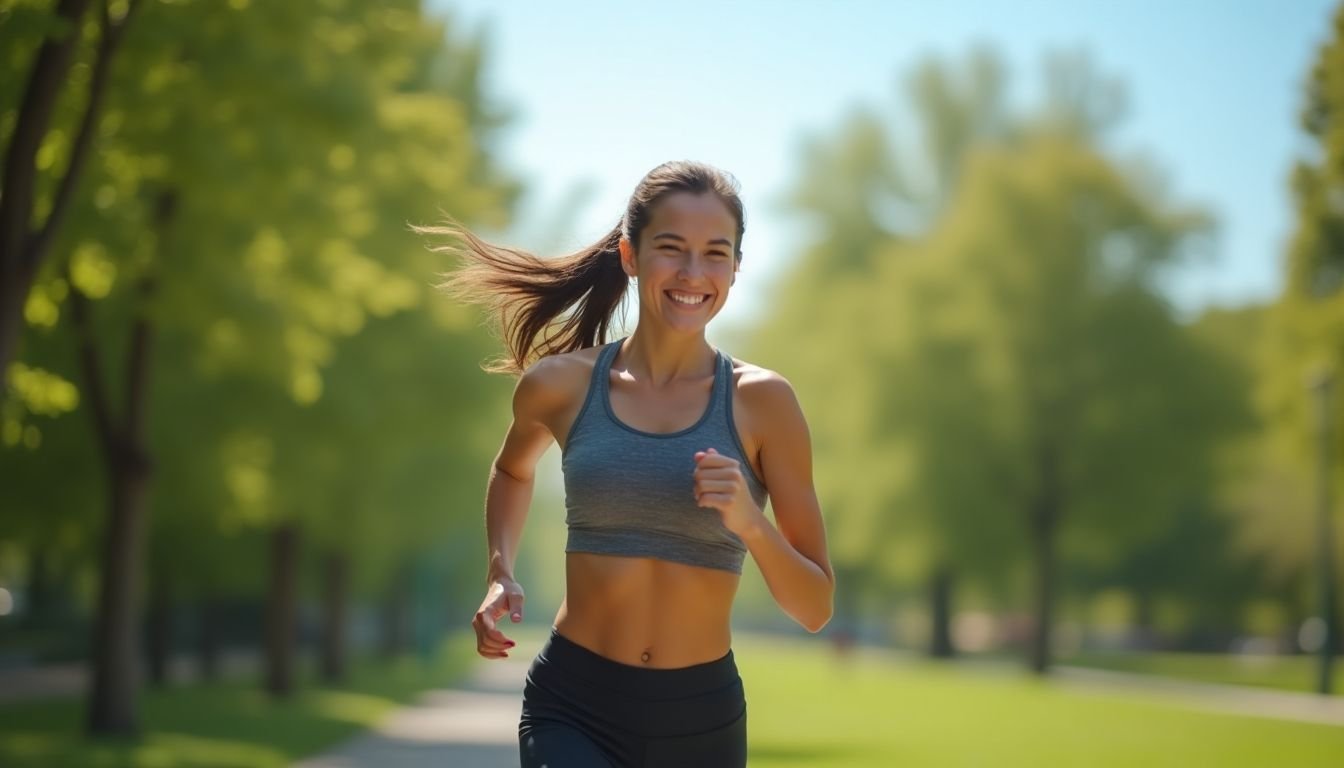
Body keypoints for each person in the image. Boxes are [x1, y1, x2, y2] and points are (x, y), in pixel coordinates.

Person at [428, 160, 833, 767]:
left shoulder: (763, 403)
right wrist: (499, 569)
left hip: (699, 720)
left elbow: (815, 607)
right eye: (671, 249)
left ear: (736, 267)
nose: (693, 273)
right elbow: (513, 469)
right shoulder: (561, 386)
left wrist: (751, 522)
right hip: (573, 704)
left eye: (715, 253)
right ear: (630, 254)